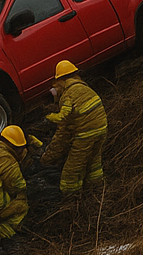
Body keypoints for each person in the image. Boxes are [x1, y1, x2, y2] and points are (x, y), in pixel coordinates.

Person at [42, 60, 108, 197]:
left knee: (71, 170)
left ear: (60, 81)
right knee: (94, 163)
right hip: (101, 128)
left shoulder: (67, 96)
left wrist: (48, 157)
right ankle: (97, 191)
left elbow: (63, 134)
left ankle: (72, 199)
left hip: (86, 133)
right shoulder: (83, 88)